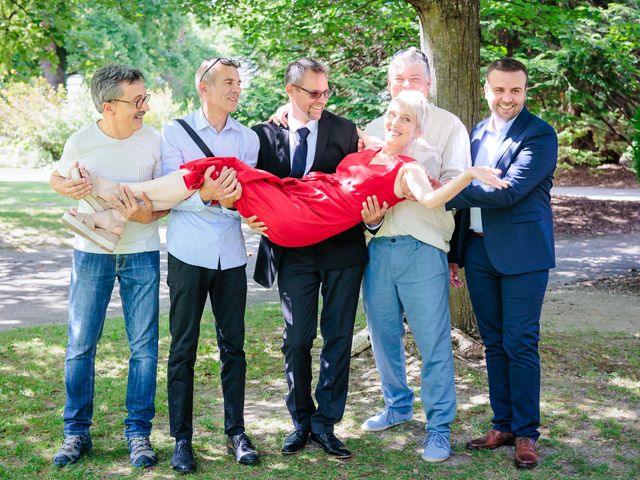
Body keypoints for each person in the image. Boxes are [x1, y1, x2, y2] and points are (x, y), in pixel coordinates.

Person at [61, 92, 506, 253]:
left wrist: (469, 175)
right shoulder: (367, 146)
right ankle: (115, 216)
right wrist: (287, 109)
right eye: (391, 115)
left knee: (221, 165)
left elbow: (431, 199)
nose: (394, 124)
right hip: (298, 195)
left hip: (306, 218)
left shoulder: (407, 169)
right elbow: (313, 111)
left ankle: (116, 194)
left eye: (405, 121)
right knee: (219, 171)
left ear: (417, 129)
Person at [359, 47, 472, 464]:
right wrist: (370, 221)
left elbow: (458, 186)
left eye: (414, 79)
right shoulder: (375, 128)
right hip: (377, 248)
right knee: (384, 336)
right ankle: (397, 405)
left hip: (425, 248)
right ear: (389, 84)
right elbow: (358, 190)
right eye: (398, 79)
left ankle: (439, 428)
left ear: (428, 82)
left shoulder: (448, 126)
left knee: (433, 342)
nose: (406, 86)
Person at [49, 64, 164, 468]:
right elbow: (58, 178)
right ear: (109, 104)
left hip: (142, 254)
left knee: (144, 348)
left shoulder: (154, 142)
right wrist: (67, 186)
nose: (144, 107)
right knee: (80, 344)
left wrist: (143, 215)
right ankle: (75, 433)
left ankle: (138, 433)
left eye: (144, 98)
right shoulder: (81, 141)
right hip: (91, 252)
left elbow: (162, 204)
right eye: (137, 100)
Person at [446, 57, 558, 470]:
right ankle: (503, 423)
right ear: (486, 90)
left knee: (520, 343)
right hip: (477, 252)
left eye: (516, 90)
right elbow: (473, 200)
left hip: (524, 254)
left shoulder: (540, 134)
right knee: (494, 343)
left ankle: (527, 433)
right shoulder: (475, 134)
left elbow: (508, 193)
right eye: (500, 90)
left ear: (525, 91)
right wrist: (456, 255)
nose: (507, 98)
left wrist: (447, 191)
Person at [161, 57, 259, 473]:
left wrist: (240, 206)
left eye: (239, 83)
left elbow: (248, 196)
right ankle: (181, 440)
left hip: (232, 256)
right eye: (228, 83)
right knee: (183, 348)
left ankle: (236, 431)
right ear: (204, 87)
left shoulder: (248, 138)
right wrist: (206, 195)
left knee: (233, 347)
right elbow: (168, 193)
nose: (236, 90)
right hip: (188, 253)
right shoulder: (175, 132)